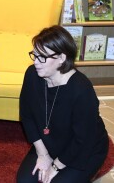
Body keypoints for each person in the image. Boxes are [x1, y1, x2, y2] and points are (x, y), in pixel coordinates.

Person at [17, 25, 109, 183]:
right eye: (35, 55)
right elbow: (27, 116)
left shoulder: (81, 89)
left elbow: (83, 139)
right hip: (49, 143)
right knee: (25, 181)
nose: (36, 62)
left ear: (61, 58)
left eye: (42, 57)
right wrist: (43, 154)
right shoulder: (32, 74)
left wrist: (55, 167)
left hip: (83, 149)